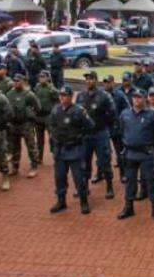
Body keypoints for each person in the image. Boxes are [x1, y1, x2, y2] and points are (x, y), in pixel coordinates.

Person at [117, 89, 154, 222]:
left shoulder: (152, 114)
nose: (137, 100)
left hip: (146, 153)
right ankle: (128, 207)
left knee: (151, 181)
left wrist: (151, 146)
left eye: (140, 97)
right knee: (130, 181)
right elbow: (122, 130)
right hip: (130, 153)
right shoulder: (125, 114)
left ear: (145, 99)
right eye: (135, 97)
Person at [48, 85, 95, 215]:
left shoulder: (79, 111)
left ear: (70, 96)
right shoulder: (55, 110)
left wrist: (80, 136)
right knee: (59, 178)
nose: (62, 98)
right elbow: (51, 127)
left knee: (79, 178)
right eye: (61, 95)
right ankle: (61, 201)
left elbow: (90, 125)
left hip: (75, 149)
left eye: (65, 95)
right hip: (60, 149)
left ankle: (84, 202)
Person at [76, 71, 117, 199]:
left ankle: (109, 186)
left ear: (96, 80)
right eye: (87, 79)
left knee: (105, 161)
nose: (88, 81)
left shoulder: (104, 95)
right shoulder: (80, 96)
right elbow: (76, 114)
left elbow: (113, 113)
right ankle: (84, 188)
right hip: (86, 135)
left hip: (100, 133)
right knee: (84, 163)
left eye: (91, 79)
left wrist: (104, 125)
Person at [6, 74, 41, 178]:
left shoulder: (29, 94)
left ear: (23, 82)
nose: (16, 83)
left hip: (26, 124)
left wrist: (30, 114)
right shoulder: (9, 94)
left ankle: (34, 167)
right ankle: (15, 167)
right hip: (14, 124)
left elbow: (38, 107)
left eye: (18, 81)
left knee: (31, 146)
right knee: (14, 147)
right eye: (15, 81)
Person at [33, 71, 59, 166]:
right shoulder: (37, 87)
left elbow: (58, 102)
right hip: (38, 116)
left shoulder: (52, 89)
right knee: (39, 139)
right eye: (40, 77)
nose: (41, 78)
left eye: (43, 77)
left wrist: (55, 114)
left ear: (48, 78)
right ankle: (39, 158)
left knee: (52, 138)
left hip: (49, 116)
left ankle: (56, 157)